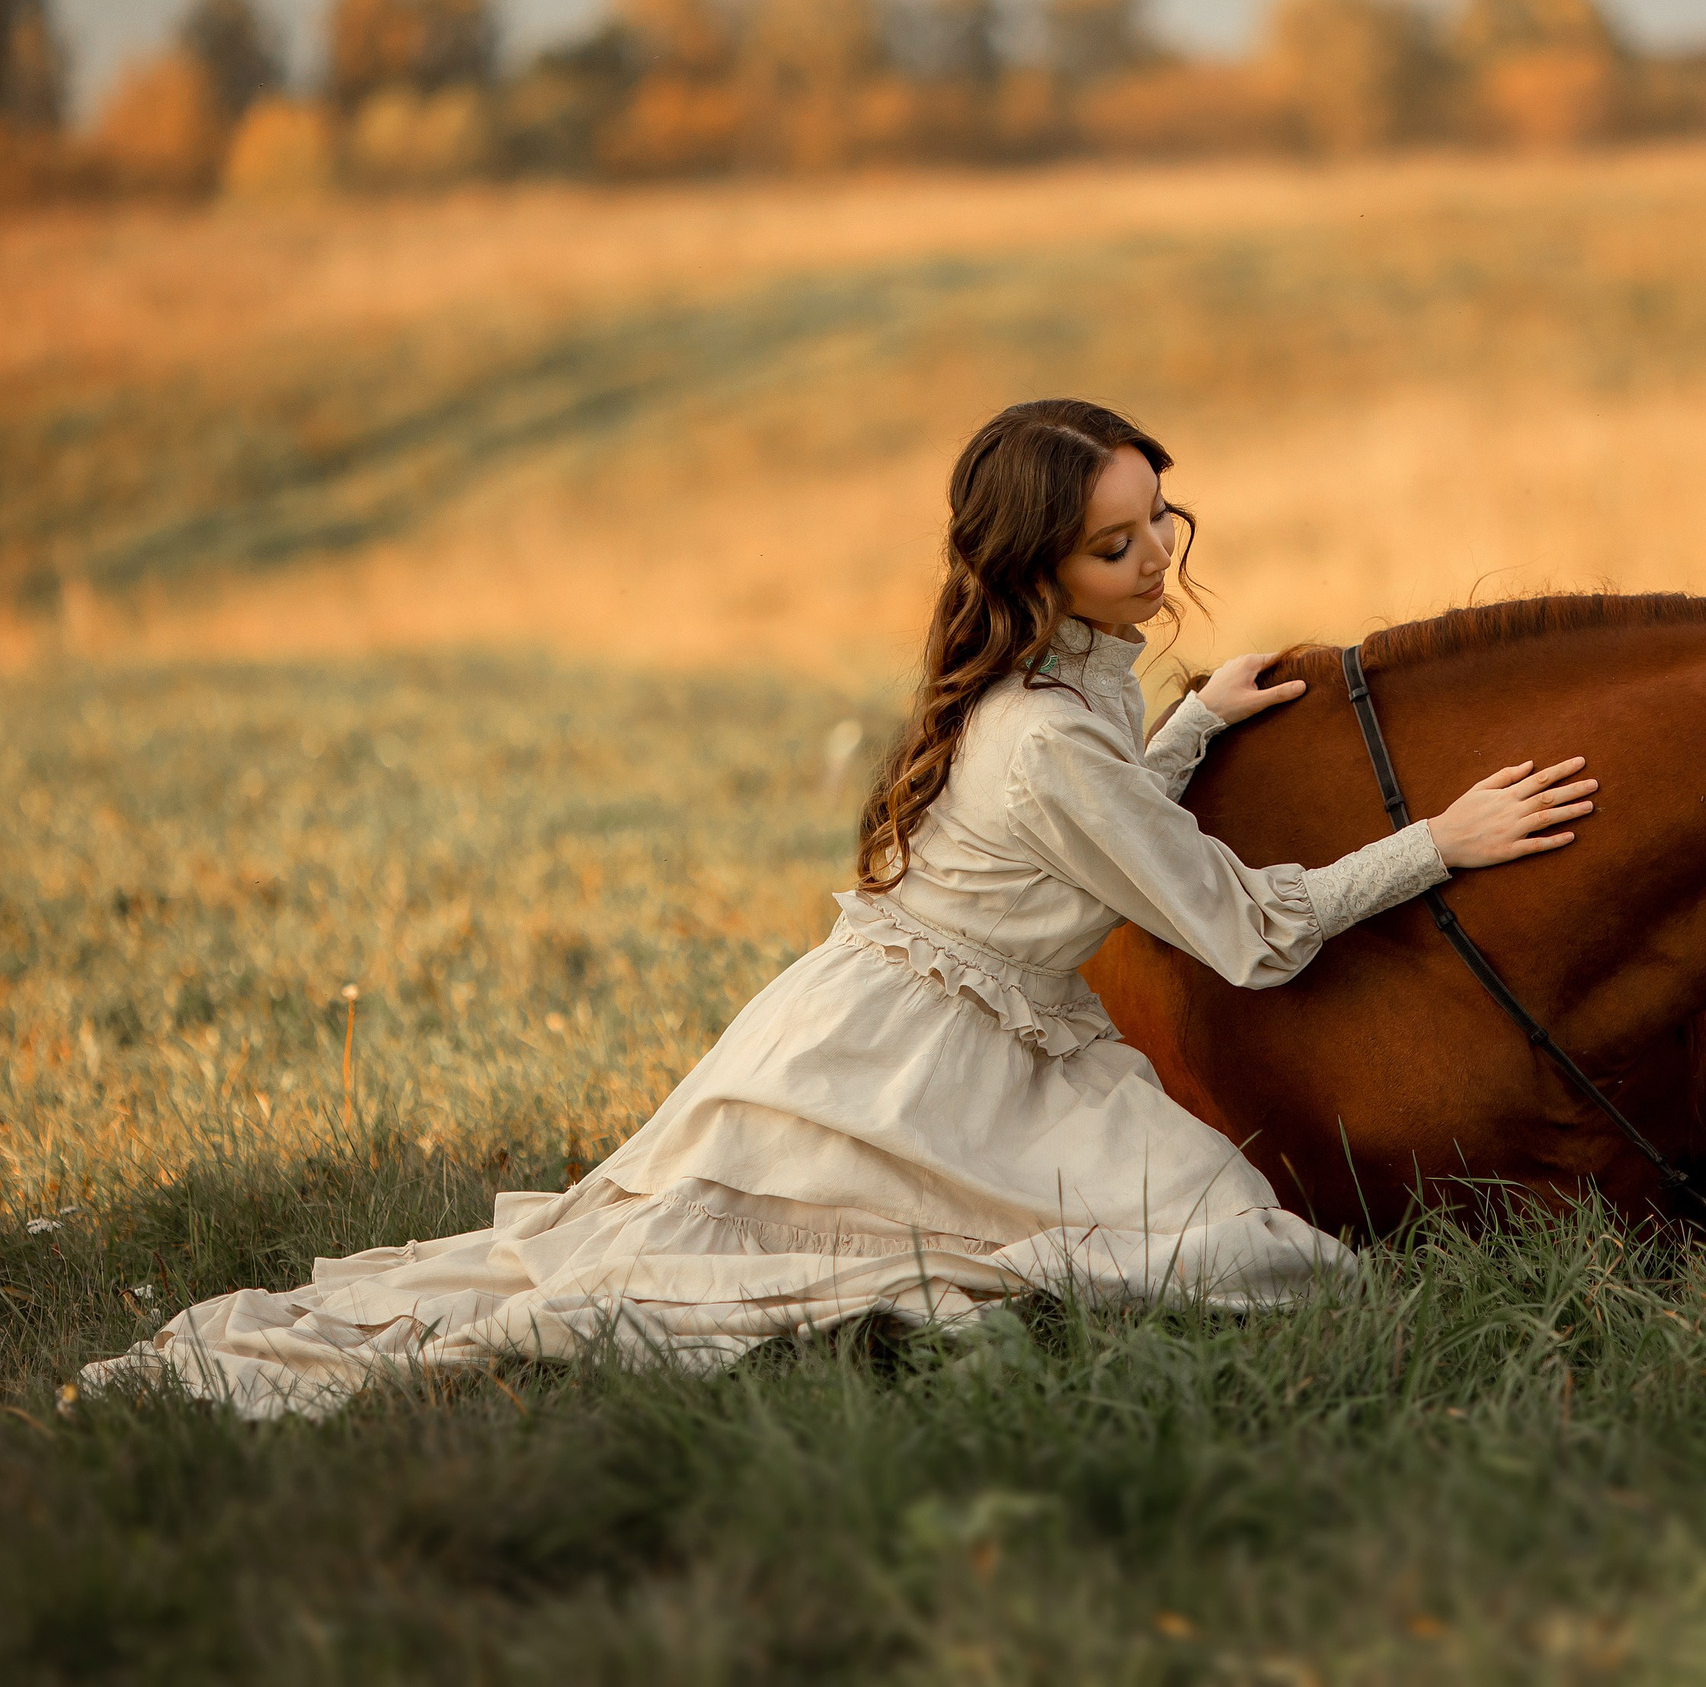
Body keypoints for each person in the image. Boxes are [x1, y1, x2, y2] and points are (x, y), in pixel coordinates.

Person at [83, 399, 1599, 1420]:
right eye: (1115, 546)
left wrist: (1194, 724)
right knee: (698, 1282)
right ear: (1040, 565)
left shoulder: (1057, 686)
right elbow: (1245, 933)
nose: (1155, 564)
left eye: (1161, 525)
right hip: (904, 1061)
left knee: (1250, 1254)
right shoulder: (1050, 732)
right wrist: (1440, 840)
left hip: (966, 1023)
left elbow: (1088, 817)